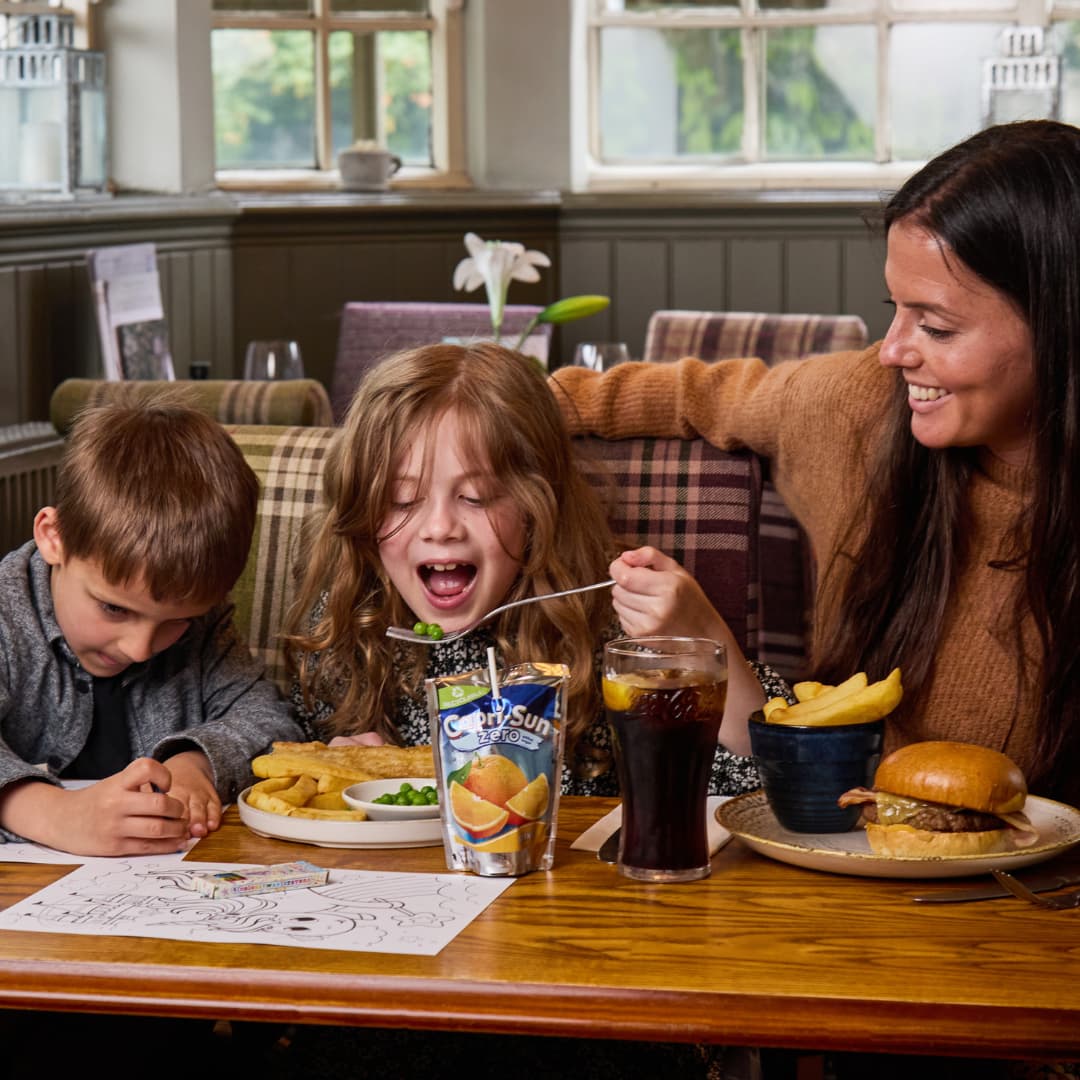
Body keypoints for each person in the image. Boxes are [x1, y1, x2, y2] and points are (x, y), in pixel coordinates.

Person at [552, 119, 1080, 809]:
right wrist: (488, 406)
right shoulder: (859, 405)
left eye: (937, 326)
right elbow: (695, 393)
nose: (893, 349)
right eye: (895, 310)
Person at [286, 341, 783, 796]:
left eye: (475, 497)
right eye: (401, 500)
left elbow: (770, 774)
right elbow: (293, 761)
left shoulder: (609, 628)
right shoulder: (352, 621)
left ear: (536, 505)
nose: (439, 527)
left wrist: (701, 638)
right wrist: (340, 768)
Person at [0, 399, 306, 856]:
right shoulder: (6, 612)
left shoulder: (205, 626)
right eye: (114, 609)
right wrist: (53, 813)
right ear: (53, 537)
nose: (141, 648)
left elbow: (271, 720)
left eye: (176, 622)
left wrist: (196, 761)